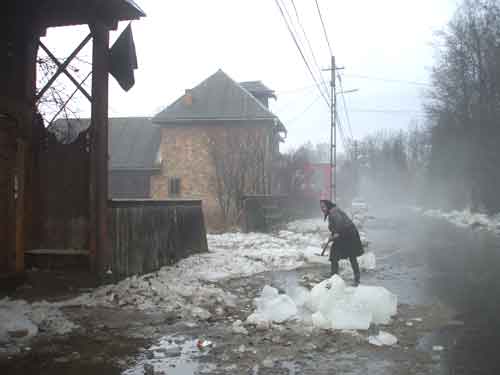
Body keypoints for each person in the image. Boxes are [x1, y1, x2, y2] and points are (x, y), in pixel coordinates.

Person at [320, 199, 363, 286]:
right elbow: (336, 226)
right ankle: (338, 276)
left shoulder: (333, 212)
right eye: (321, 207)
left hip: (348, 235)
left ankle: (335, 277)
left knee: (339, 255)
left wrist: (335, 235)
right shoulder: (333, 211)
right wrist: (334, 234)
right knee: (344, 256)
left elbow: (339, 224)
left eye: (324, 207)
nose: (322, 209)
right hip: (346, 235)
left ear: (328, 206)